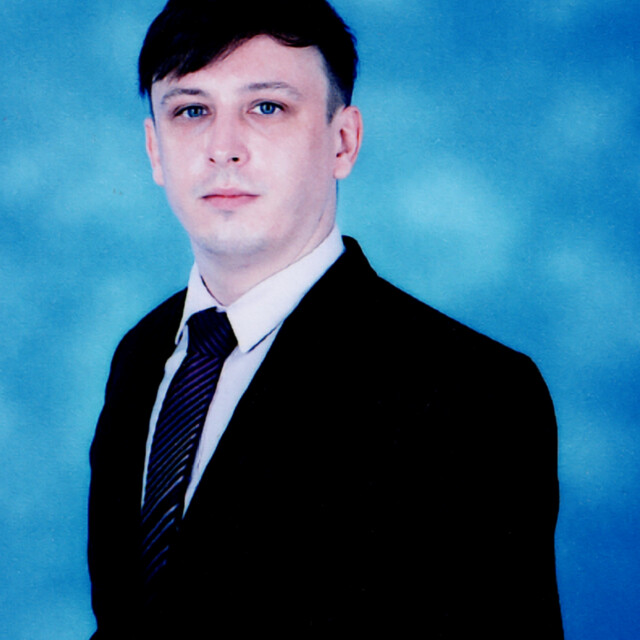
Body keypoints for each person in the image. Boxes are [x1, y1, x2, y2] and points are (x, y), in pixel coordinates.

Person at [87, 0, 564, 637]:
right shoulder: (142, 355)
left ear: (344, 141)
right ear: (155, 149)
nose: (223, 149)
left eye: (267, 107)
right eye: (191, 111)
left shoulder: (471, 392)